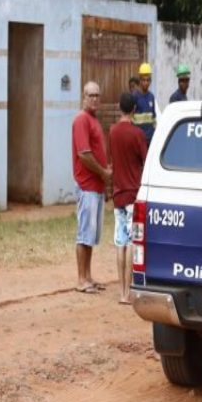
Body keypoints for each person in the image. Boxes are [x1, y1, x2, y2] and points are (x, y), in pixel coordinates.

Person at [72, 81, 112, 294]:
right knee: (84, 233)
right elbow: (84, 154)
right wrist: (103, 172)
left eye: (97, 95)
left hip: (96, 186)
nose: (94, 98)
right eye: (91, 95)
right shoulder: (81, 120)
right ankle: (81, 279)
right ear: (83, 96)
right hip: (87, 185)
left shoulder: (94, 120)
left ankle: (88, 276)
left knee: (91, 235)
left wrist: (104, 180)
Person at [109, 92, 148, 305]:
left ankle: (121, 292)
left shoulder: (113, 132)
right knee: (132, 241)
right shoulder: (138, 134)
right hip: (134, 193)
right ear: (134, 109)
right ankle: (129, 290)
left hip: (118, 194)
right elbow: (146, 160)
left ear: (119, 107)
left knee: (119, 242)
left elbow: (112, 162)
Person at [133, 62, 156, 144]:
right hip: (138, 139)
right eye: (143, 80)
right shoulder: (135, 96)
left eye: (148, 80)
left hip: (150, 138)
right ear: (140, 80)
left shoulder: (152, 97)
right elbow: (131, 117)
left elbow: (154, 118)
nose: (146, 83)